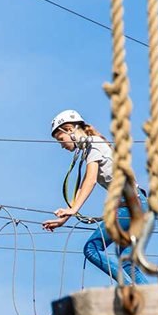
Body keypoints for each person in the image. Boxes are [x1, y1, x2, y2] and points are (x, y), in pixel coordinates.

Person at [42, 109, 147, 284]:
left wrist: (73, 209)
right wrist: (65, 218)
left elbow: (90, 181)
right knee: (128, 264)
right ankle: (152, 301)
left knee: (92, 248)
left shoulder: (94, 144)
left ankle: (129, 290)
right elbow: (83, 184)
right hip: (138, 204)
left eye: (60, 140)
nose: (61, 145)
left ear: (69, 129)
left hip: (129, 206)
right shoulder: (93, 147)